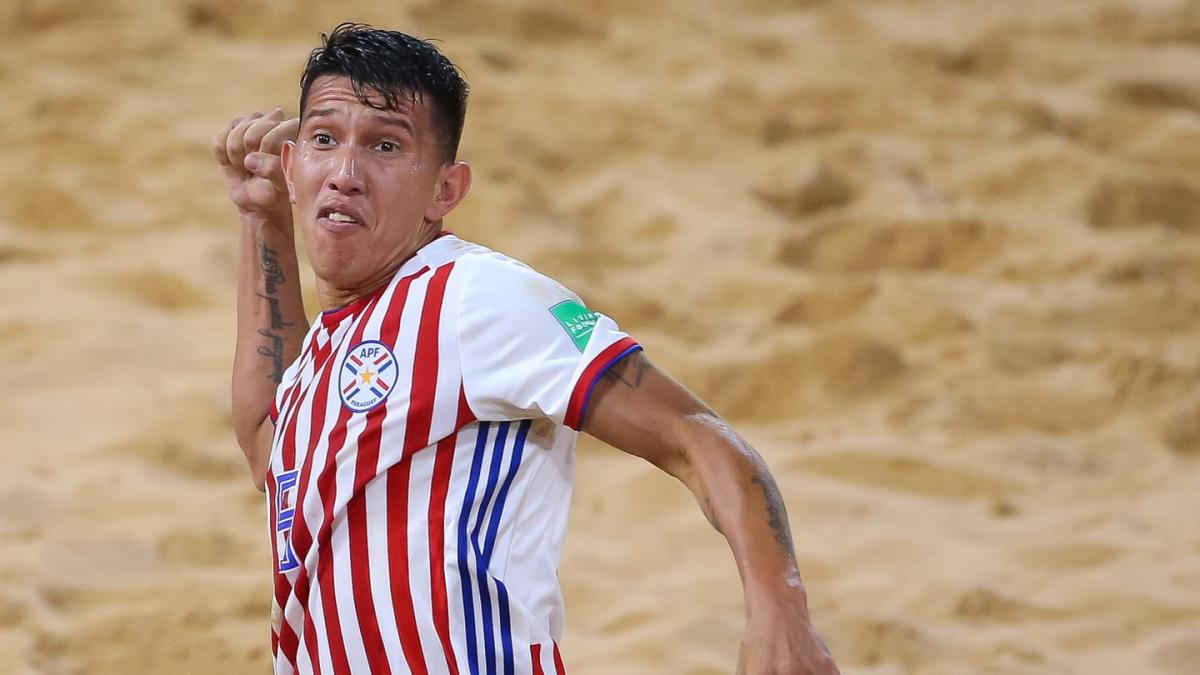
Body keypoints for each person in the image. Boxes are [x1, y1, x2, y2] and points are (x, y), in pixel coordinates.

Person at [213, 23, 839, 675]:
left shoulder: (478, 297)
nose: (345, 174)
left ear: (445, 190)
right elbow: (270, 445)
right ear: (293, 168)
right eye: (324, 139)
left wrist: (780, 612)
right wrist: (261, 218)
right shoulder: (336, 339)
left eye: (385, 145)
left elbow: (695, 436)